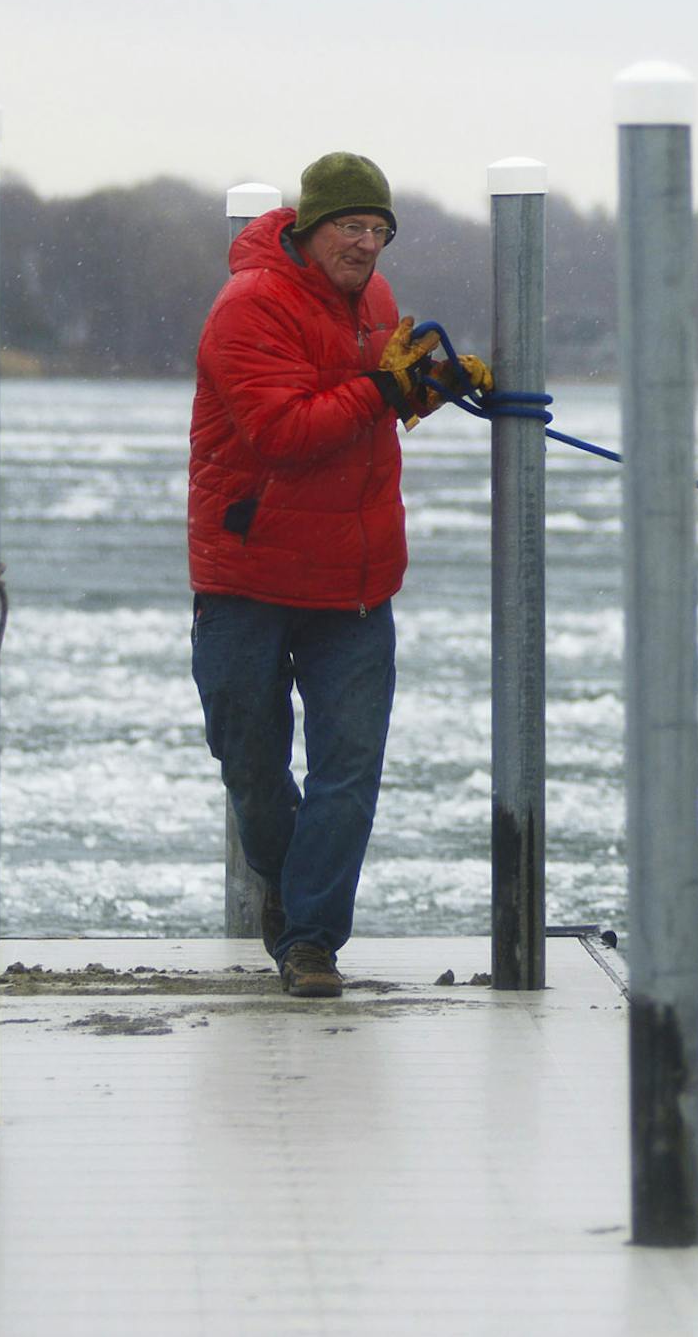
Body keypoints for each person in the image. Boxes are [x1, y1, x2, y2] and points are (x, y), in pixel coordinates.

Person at [187, 151, 490, 998]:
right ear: (309, 228)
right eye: (351, 227)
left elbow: (371, 408)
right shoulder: (247, 308)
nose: (366, 245)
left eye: (379, 231)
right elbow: (282, 432)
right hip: (246, 572)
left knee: (348, 770)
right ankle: (290, 899)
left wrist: (433, 388)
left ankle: (312, 941)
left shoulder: (381, 304)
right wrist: (383, 390)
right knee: (248, 759)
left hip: (355, 581)